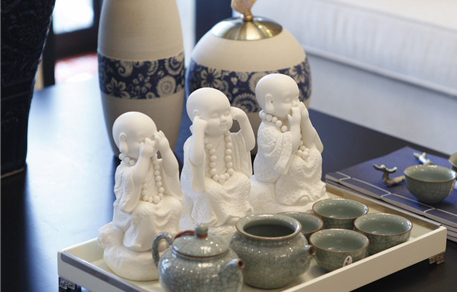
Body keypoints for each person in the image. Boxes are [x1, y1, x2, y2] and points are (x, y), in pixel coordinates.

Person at [98, 111, 183, 280]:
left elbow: (172, 170)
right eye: (142, 141)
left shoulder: (154, 162)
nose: (149, 144)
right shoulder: (124, 169)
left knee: (174, 204)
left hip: (157, 201)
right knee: (145, 211)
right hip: (132, 211)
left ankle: (167, 240)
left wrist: (165, 150)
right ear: (124, 142)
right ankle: (141, 244)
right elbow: (137, 178)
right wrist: (143, 156)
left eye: (152, 138)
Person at [180, 87, 255, 236]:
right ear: (197, 117)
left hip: (227, 176)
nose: (223, 119)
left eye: (226, 113)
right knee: (210, 192)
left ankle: (237, 215)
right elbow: (196, 159)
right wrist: (198, 131)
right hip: (204, 181)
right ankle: (215, 220)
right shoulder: (193, 142)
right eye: (215, 115)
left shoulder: (228, 137)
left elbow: (250, 145)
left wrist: (243, 120)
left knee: (242, 181)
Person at [251, 73, 326, 212]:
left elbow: (311, 142)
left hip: (294, 156)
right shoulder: (267, 129)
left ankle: (311, 190)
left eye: (297, 98)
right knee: (294, 164)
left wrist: (305, 120)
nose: (295, 104)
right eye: (288, 100)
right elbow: (287, 151)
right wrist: (295, 125)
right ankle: (294, 195)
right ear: (270, 102)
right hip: (273, 168)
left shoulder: (291, 119)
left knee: (314, 154)